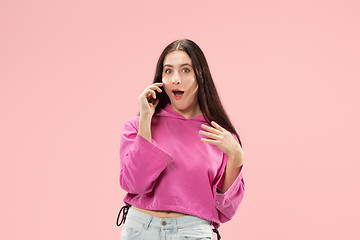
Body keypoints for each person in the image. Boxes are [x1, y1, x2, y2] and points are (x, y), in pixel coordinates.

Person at [116, 39, 245, 240]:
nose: (176, 79)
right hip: (140, 229)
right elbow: (135, 185)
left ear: (200, 76)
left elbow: (226, 210)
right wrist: (145, 120)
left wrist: (236, 156)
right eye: (168, 71)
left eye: (185, 70)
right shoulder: (138, 125)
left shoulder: (220, 136)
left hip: (192, 232)